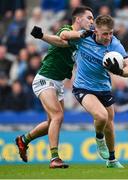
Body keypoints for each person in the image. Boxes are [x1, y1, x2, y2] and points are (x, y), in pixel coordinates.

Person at [15, 6, 94, 169]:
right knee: (57, 116)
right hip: (45, 79)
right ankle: (54, 159)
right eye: (89, 18)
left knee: (53, 120)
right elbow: (63, 39)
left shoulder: (81, 40)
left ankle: (23, 140)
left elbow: (68, 45)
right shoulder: (67, 29)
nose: (92, 21)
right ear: (78, 19)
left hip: (57, 83)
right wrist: (43, 36)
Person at [58, 15, 128, 168]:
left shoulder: (115, 45)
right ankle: (99, 139)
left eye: (111, 33)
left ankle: (112, 160)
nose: (108, 37)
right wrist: (78, 34)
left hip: (104, 88)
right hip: (83, 87)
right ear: (96, 30)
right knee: (101, 116)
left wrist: (119, 72)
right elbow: (62, 35)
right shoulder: (84, 38)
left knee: (110, 124)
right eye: (105, 33)